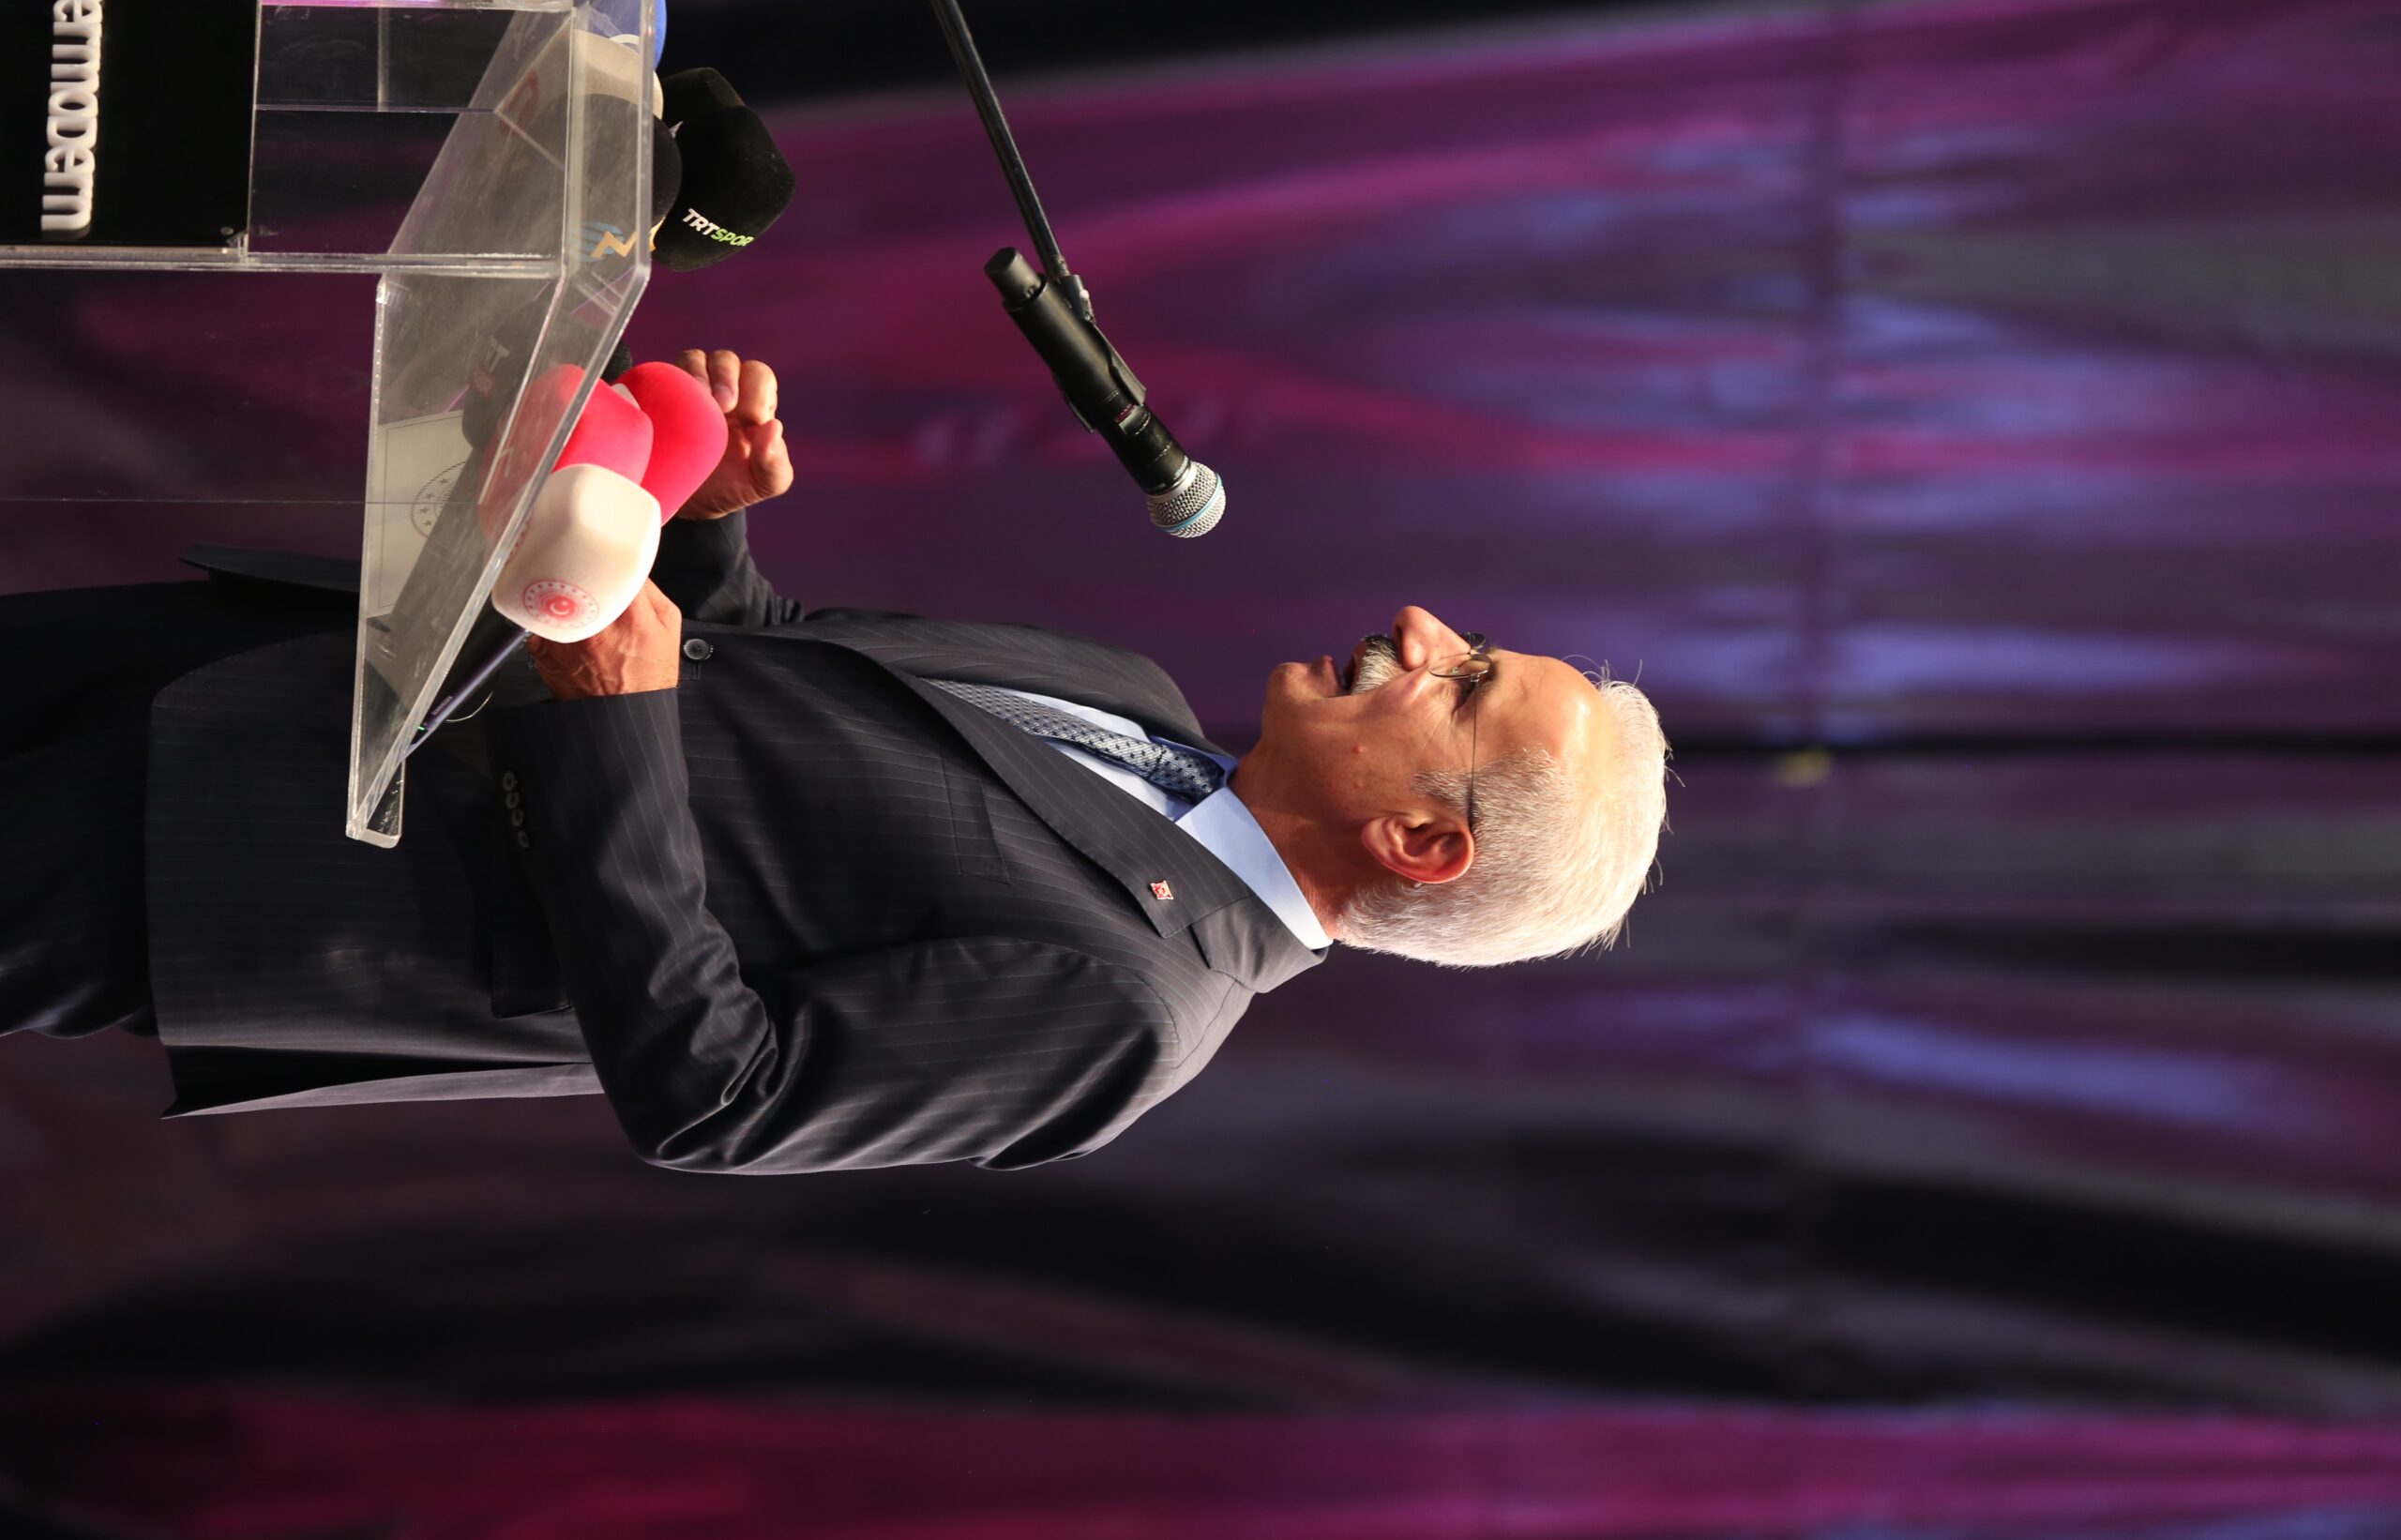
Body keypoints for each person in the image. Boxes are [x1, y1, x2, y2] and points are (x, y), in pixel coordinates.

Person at [0, 349, 1669, 1174]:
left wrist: (609, 723)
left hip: (264, 868)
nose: (1421, 627)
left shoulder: (1132, 1017)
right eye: (1472, 642)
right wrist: (711, 530)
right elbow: (763, 657)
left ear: (1421, 843)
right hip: (292, 667)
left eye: (1464, 685)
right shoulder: (1135, 695)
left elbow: (717, 1094)